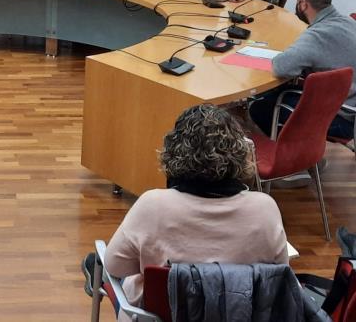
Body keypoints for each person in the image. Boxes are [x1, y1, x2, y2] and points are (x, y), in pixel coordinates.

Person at [95, 104, 288, 314]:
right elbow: (279, 273)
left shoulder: (153, 206)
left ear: (173, 152)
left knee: (109, 265)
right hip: (238, 314)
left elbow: (114, 267)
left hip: (163, 316)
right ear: (241, 153)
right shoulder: (264, 208)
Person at [250, 0, 356, 142]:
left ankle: (297, 154)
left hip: (340, 115)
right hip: (350, 106)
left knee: (258, 108)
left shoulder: (317, 35)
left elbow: (281, 67)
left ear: (303, 4)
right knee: (278, 91)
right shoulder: (349, 22)